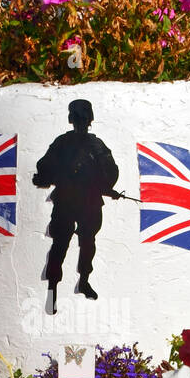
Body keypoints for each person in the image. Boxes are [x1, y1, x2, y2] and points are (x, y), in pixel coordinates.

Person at [33, 100, 121, 312]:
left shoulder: (88, 144)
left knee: (80, 243)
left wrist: (104, 187)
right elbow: (45, 166)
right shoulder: (68, 143)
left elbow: (110, 171)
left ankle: (77, 283)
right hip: (71, 200)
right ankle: (60, 287)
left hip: (81, 201)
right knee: (69, 243)